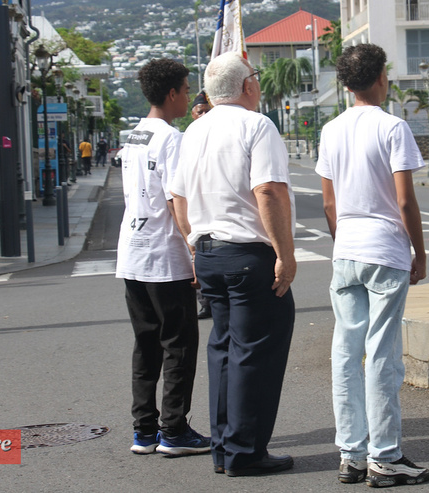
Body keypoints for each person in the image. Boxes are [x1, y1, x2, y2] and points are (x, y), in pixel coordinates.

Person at [170, 52, 297, 477]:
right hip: (248, 253)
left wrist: (193, 243)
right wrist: (285, 253)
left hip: (208, 251)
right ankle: (245, 450)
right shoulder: (256, 124)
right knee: (255, 352)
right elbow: (269, 192)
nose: (258, 85)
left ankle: (225, 447)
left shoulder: (194, 129)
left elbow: (179, 198)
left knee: (224, 349)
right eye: (256, 79)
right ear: (247, 86)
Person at [315, 43, 429, 487]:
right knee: (381, 354)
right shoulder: (392, 127)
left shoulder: (331, 130)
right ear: (380, 77)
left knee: (345, 353)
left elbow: (329, 201)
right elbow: (405, 199)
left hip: (346, 250)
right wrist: (418, 252)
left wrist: (343, 240)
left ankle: (351, 453)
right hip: (384, 251)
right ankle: (386, 455)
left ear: (346, 84)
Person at [116, 59, 211, 457]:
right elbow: (177, 200)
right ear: (172, 94)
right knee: (180, 343)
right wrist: (194, 249)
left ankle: (144, 429)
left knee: (146, 344)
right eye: (187, 90)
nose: (189, 96)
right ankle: (173, 429)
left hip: (133, 253)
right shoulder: (173, 139)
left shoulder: (134, 135)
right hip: (164, 254)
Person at [189, 90, 212, 320]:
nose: (204, 114)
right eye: (200, 111)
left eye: (208, 111)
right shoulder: (189, 138)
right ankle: (205, 302)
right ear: (192, 114)